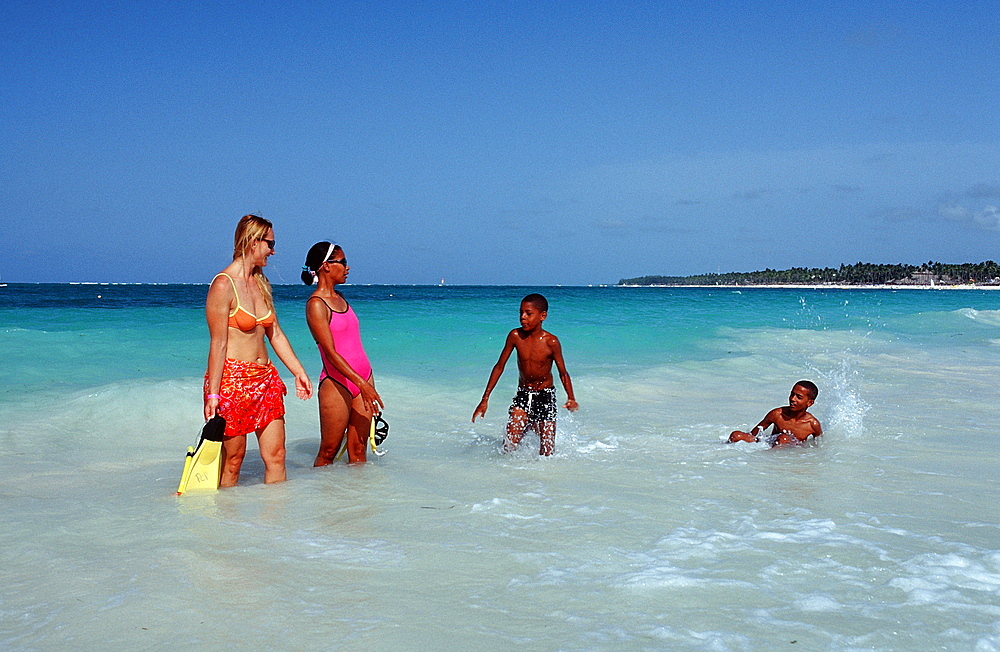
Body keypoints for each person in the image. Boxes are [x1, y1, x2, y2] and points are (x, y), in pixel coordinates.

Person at [204, 214, 313, 486]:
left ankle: (275, 524)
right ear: (253, 242)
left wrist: (298, 371)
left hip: (265, 380)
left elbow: (274, 332)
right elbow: (217, 343)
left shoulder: (260, 283)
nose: (273, 251)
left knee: (277, 455)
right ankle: (225, 522)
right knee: (233, 460)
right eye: (270, 244)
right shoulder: (223, 284)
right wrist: (214, 394)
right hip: (232, 382)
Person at [302, 242, 384, 465]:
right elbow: (330, 353)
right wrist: (362, 385)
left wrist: (365, 383)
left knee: (359, 451)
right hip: (336, 382)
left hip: (364, 378)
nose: (347, 268)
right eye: (343, 262)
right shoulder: (316, 305)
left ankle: (356, 499)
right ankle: (323, 498)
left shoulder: (341, 297)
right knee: (328, 451)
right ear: (326, 266)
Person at [472, 293, 578, 456]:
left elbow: (563, 373)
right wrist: (484, 399)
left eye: (528, 313)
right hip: (523, 394)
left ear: (543, 316)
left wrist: (571, 398)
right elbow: (499, 367)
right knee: (508, 447)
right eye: (521, 313)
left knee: (547, 452)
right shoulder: (515, 336)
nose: (523, 317)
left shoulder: (551, 342)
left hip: (545, 396)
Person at [729, 380, 822, 446]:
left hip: (790, 451)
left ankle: (768, 462)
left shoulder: (812, 424)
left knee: (783, 439)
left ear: (810, 403)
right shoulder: (777, 414)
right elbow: (753, 435)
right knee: (736, 435)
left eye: (799, 397)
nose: (793, 399)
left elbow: (818, 447)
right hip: (769, 445)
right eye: (792, 394)